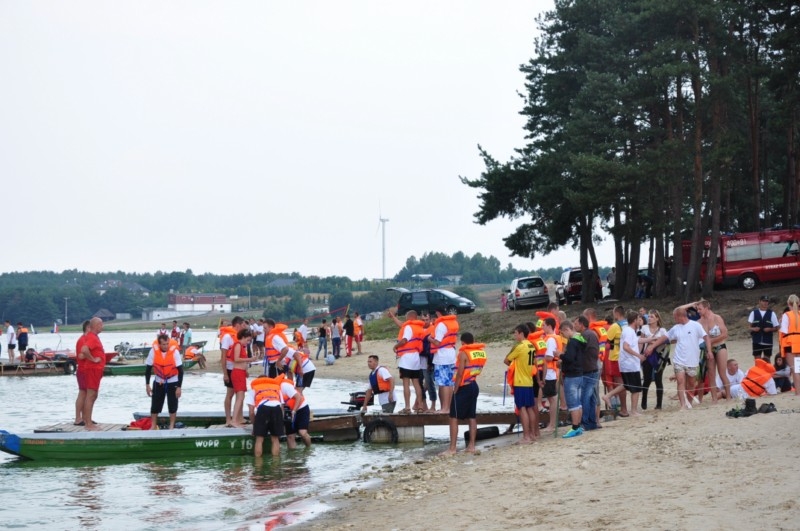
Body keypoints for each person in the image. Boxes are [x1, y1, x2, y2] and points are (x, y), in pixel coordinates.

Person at [647, 307, 711, 410]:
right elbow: (664, 338)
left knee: (691, 383)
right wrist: (652, 346)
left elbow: (706, 337)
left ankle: (689, 402)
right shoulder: (676, 328)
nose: (674, 319)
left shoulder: (695, 325)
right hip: (679, 360)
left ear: (680, 316)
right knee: (680, 381)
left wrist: (709, 351)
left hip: (692, 360)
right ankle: (683, 405)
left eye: (675, 317)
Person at [442, 332, 486, 455]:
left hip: (464, 387)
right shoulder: (480, 352)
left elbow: (460, 373)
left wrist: (455, 388)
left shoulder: (463, 353)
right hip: (474, 385)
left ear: (462, 342)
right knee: (471, 417)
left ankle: (452, 448)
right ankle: (471, 446)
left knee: (453, 417)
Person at [692, 299, 731, 402]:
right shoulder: (699, 322)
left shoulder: (717, 318)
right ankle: (714, 398)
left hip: (719, 346)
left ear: (706, 308)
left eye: (700, 309)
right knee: (711, 375)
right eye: (697, 309)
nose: (698, 311)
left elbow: (724, 334)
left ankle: (728, 396)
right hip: (707, 349)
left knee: (722, 373)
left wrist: (710, 341)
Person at [504, 324, 536, 444]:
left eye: (516, 333)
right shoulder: (531, 345)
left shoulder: (520, 346)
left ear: (521, 333)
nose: (515, 335)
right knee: (530, 408)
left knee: (522, 408)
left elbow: (506, 360)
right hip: (529, 380)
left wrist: (514, 365)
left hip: (520, 381)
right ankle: (532, 434)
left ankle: (526, 436)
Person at [145, 333, 184, 430]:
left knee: (172, 404)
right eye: (163, 344)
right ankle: (153, 425)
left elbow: (181, 371)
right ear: (159, 344)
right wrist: (147, 385)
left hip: (173, 381)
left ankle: (171, 426)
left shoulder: (174, 352)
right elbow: (148, 369)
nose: (166, 346)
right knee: (155, 404)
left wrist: (179, 387)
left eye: (167, 344)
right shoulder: (153, 352)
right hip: (159, 381)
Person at [394, 310, 425, 414]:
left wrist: (396, 346)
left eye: (406, 317)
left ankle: (407, 407)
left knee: (406, 383)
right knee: (416, 383)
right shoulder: (419, 327)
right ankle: (420, 406)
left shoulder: (408, 327)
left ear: (409, 317)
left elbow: (404, 340)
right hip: (416, 357)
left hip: (407, 358)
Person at [78, 317, 106, 430]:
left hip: (95, 369)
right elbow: (84, 350)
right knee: (90, 395)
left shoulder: (93, 337)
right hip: (92, 369)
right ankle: (88, 424)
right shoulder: (92, 337)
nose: (102, 326)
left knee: (93, 395)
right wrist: (93, 359)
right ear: (96, 325)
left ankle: (88, 421)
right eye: (101, 324)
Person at [430, 309, 459, 414]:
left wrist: (429, 339)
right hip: (451, 354)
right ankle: (447, 408)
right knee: (449, 383)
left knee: (444, 383)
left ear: (438, 313)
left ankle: (445, 408)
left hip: (442, 357)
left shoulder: (441, 324)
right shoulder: (453, 322)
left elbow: (437, 342)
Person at [559, 321, 585, 437]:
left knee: (573, 402)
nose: (563, 336)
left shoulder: (573, 342)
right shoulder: (581, 339)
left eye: (562, 333)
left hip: (572, 375)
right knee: (578, 402)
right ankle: (578, 425)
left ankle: (575, 427)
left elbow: (569, 358)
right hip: (579, 374)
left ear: (566, 330)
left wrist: (560, 355)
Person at [574, 315, 600, 430]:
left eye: (576, 324)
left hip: (588, 370)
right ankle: (592, 422)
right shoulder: (590, 334)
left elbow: (580, 352)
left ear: (581, 324)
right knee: (591, 397)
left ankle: (586, 422)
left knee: (585, 396)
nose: (574, 326)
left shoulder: (585, 335)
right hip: (592, 368)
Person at [219, 316, 247, 426]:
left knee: (240, 393)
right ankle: (228, 419)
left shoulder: (240, 337)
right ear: (238, 325)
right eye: (243, 325)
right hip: (230, 369)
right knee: (230, 394)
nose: (245, 327)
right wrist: (225, 373)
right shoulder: (227, 337)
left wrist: (246, 370)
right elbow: (223, 356)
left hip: (239, 369)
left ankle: (240, 418)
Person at [639, 310, 668, 410]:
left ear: (657, 318)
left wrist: (654, 343)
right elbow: (641, 342)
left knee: (658, 379)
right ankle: (644, 400)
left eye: (652, 317)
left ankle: (659, 404)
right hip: (647, 355)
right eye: (649, 316)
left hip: (659, 356)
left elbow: (666, 341)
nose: (649, 318)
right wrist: (640, 354)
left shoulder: (662, 330)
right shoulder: (644, 328)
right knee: (647, 379)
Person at [250, 375, 286, 457]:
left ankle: (258, 463)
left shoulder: (254, 388)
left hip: (263, 409)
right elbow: (282, 408)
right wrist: (281, 423)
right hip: (276, 409)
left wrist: (255, 426)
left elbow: (251, 412)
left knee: (259, 439)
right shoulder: (276, 388)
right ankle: (275, 462)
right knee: (275, 439)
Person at [602, 306, 628, 416]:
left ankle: (623, 409)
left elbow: (607, 342)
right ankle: (624, 407)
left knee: (619, 383)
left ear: (617, 314)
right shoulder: (628, 324)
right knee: (624, 383)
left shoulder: (615, 326)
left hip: (616, 357)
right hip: (627, 357)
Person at [618, 311, 644, 417]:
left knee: (627, 384)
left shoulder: (629, 331)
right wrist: (638, 355)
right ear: (634, 320)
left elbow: (637, 341)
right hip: (630, 364)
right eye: (638, 319)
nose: (640, 321)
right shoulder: (629, 331)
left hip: (628, 363)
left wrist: (653, 339)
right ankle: (634, 410)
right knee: (636, 388)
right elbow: (626, 346)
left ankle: (608, 396)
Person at [230, 328, 256, 427]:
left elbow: (241, 360)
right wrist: (249, 359)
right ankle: (234, 420)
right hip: (237, 372)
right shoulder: (237, 344)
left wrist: (246, 371)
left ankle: (238, 418)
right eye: (248, 340)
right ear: (243, 337)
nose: (248, 342)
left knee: (241, 397)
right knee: (240, 397)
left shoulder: (241, 346)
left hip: (241, 372)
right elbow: (236, 359)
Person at [540, 317, 561, 432]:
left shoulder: (551, 339)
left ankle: (552, 424)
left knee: (552, 399)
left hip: (549, 373)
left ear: (549, 326)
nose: (542, 327)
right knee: (551, 398)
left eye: (543, 325)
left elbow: (549, 357)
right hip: (551, 372)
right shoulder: (551, 338)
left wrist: (538, 358)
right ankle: (552, 423)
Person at [779, 294, 800, 395]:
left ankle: (798, 392)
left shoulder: (786, 315)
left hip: (790, 344)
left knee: (794, 369)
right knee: (798, 368)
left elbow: (784, 330)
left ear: (788, 304)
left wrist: (780, 323)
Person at [749, 295, 779, 361]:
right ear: (759, 301)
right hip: (756, 341)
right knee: (757, 361)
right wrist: (754, 329)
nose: (765, 303)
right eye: (764, 301)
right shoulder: (754, 313)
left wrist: (770, 329)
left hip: (768, 341)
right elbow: (749, 327)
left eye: (767, 301)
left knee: (767, 361)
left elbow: (776, 328)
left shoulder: (772, 313)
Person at [73, 320, 91, 425]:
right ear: (88, 328)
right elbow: (81, 355)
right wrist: (93, 356)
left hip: (88, 369)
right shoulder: (82, 340)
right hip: (83, 369)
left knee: (88, 393)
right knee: (82, 393)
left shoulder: (88, 339)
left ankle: (85, 417)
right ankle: (77, 418)